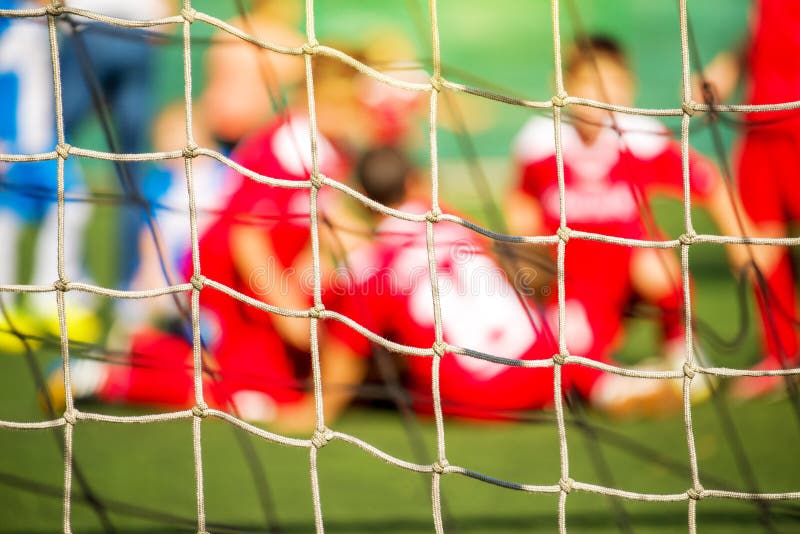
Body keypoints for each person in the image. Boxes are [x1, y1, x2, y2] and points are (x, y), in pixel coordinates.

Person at [48, 51, 369, 419]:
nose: (358, 114)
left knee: (283, 385)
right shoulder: (288, 147)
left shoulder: (327, 149)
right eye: (351, 104)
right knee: (244, 398)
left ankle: (159, 352)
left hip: (262, 284)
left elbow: (320, 218)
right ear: (323, 100)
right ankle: (118, 370)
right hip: (226, 280)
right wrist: (287, 308)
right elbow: (246, 237)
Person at [696, 1, 800, 397]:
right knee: (758, 237)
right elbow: (766, 33)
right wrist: (727, 69)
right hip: (761, 121)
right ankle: (781, 353)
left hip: (795, 117)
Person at [0, 0, 97, 354]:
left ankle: (51, 297)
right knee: (9, 218)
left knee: (72, 204)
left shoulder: (46, 18)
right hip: (16, 145)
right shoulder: (10, 18)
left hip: (44, 143)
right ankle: (16, 304)